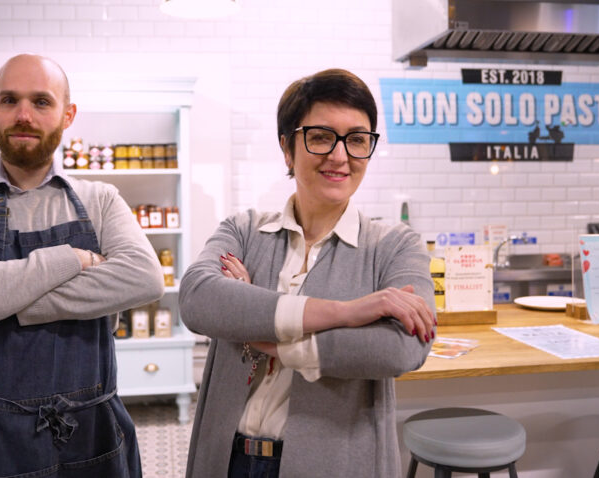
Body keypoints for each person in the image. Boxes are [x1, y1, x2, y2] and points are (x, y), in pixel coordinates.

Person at [179, 68, 436, 478]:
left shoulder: (394, 246)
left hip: (333, 464)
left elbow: (402, 347)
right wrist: (348, 312)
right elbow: (197, 300)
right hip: (227, 457)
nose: (340, 156)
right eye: (320, 137)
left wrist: (264, 334)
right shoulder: (244, 230)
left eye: (357, 139)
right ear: (287, 148)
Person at [0, 54, 163, 478]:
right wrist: (73, 259)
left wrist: (3, 300)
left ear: (68, 115)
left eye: (42, 102)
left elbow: (144, 277)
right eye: (10, 100)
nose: (24, 115)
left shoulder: (102, 200)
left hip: (94, 430)